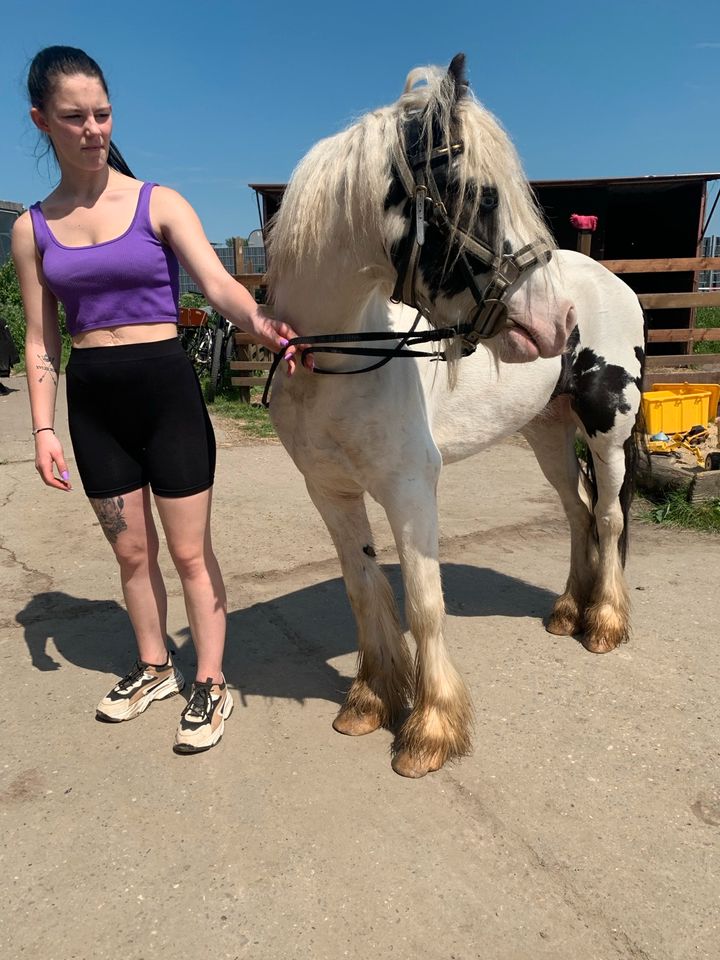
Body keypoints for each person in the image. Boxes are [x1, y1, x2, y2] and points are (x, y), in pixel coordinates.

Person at [12, 45, 303, 754]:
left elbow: (219, 284)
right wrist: (44, 429)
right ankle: (152, 668)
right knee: (131, 555)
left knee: (189, 552)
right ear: (41, 121)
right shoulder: (33, 228)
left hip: (166, 393)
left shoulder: (157, 201)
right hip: (96, 405)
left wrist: (260, 325)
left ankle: (209, 680)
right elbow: (40, 340)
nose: (93, 129)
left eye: (103, 113)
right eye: (74, 116)